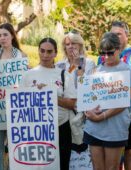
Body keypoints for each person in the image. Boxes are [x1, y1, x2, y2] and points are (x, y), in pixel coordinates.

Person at [99, 21, 131, 170]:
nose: (116, 37)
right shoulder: (103, 56)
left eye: (119, 34)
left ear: (127, 36)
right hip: (107, 114)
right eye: (113, 34)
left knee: (128, 150)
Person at [83, 32, 131, 170]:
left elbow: (124, 102)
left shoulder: (127, 70)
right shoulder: (95, 71)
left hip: (115, 130)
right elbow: (86, 99)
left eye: (110, 53)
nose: (106, 57)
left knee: (112, 168)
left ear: (118, 50)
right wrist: (89, 112)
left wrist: (102, 116)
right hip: (93, 128)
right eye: (102, 53)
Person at [22, 37, 76, 170]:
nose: (45, 55)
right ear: (38, 51)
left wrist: (50, 94)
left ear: (55, 53)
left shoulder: (64, 75)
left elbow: (72, 103)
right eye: (42, 51)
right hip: (37, 130)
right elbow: (21, 103)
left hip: (61, 128)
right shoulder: (28, 75)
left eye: (49, 51)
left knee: (62, 165)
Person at [0, 23, 26, 170]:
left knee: (16, 147)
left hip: (15, 108)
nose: (2, 38)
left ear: (12, 36)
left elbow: (25, 82)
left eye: (5, 35)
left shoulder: (21, 56)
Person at [56, 31, 95, 151]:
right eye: (68, 44)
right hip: (64, 113)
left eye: (74, 43)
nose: (71, 46)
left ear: (80, 45)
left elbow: (86, 86)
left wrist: (78, 64)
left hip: (82, 113)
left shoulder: (89, 63)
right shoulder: (59, 65)